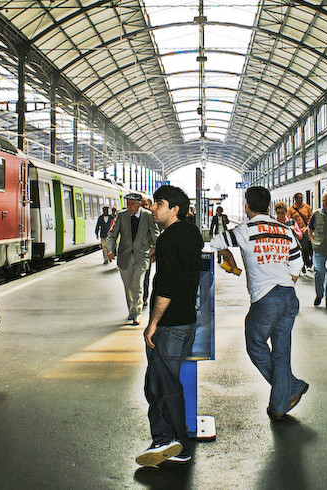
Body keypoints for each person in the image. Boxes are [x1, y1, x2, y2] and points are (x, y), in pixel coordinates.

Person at [211, 186, 308, 420]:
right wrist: (284, 282)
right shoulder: (285, 230)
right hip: (288, 296)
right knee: (282, 354)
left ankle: (291, 387)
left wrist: (228, 254)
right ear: (268, 206)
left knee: (255, 343)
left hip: (266, 299)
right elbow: (297, 263)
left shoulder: (245, 230)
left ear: (247, 206)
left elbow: (215, 241)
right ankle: (278, 406)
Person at [135, 185, 204, 467]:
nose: (152, 208)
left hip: (170, 323)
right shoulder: (189, 234)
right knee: (159, 382)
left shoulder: (168, 241)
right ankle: (164, 437)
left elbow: (167, 285)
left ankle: (176, 442)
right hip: (185, 319)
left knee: (164, 385)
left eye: (159, 204)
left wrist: (152, 323)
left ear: (174, 209)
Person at [107, 193, 160, 325]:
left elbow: (155, 235)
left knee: (138, 284)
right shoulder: (121, 216)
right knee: (128, 286)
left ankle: (137, 312)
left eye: (131, 204)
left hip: (142, 256)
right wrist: (109, 249)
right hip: (125, 256)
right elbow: (113, 234)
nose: (128, 206)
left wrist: (156, 249)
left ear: (138, 204)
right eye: (127, 203)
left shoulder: (148, 216)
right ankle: (132, 310)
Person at [288, 193, 314, 273]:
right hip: (297, 231)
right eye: (299, 198)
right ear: (295, 199)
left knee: (309, 247)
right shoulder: (291, 210)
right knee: (302, 248)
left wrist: (307, 227)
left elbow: (311, 218)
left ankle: (308, 263)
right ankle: (304, 264)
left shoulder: (307, 207)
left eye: (302, 198)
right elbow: (289, 220)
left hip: (306, 230)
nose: (301, 200)